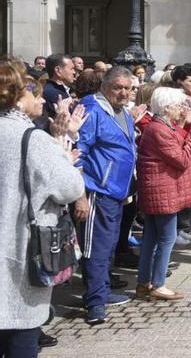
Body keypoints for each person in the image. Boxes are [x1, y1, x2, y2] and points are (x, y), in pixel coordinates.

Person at [0, 65, 85, 356]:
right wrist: (64, 156)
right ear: (17, 97)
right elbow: (70, 187)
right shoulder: (33, 139)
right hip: (19, 251)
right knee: (22, 332)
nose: (41, 100)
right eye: (35, 93)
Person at [75, 66, 138, 325]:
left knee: (108, 245)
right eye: (118, 87)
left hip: (117, 191)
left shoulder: (123, 112)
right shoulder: (92, 110)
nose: (123, 93)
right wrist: (80, 194)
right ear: (104, 86)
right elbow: (78, 150)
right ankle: (95, 302)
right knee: (96, 248)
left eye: (128, 88)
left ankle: (101, 291)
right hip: (97, 191)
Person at [136, 87, 191, 301]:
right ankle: (158, 284)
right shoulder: (159, 129)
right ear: (167, 108)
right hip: (162, 190)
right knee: (166, 238)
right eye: (178, 106)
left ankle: (144, 282)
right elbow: (183, 159)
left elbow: (178, 143)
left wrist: (187, 124)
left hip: (160, 189)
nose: (181, 110)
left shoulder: (162, 126)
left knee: (151, 238)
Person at [42, 54, 76, 119]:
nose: (74, 72)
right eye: (71, 69)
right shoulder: (53, 93)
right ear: (58, 70)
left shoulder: (60, 89)